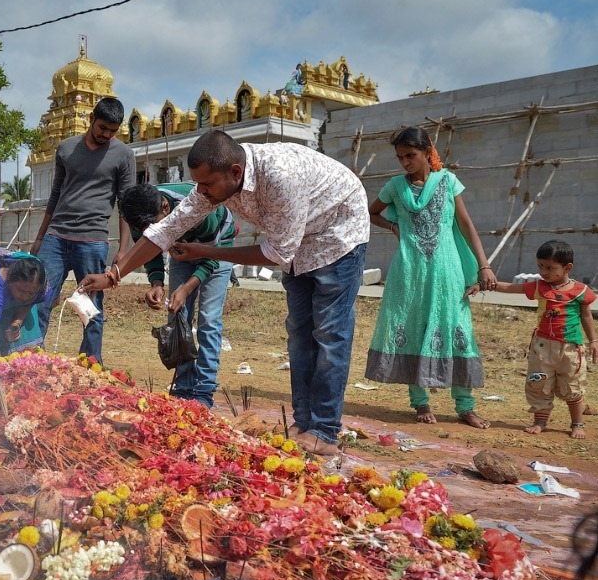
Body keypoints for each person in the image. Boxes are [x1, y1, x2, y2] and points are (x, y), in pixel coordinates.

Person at [81, 130, 370, 456]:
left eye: (206, 186)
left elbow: (275, 253)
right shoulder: (215, 182)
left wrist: (205, 251)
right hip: (296, 244)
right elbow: (166, 229)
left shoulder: (280, 178)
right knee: (300, 333)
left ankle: (325, 430)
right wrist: (114, 274)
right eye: (198, 185)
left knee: (330, 333)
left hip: (338, 233)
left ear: (235, 172)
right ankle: (304, 423)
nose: (200, 193)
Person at [365, 126, 494, 429]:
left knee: (457, 330)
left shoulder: (448, 181)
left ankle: (465, 406)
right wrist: (394, 227)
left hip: (447, 271)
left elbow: (465, 226)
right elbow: (371, 212)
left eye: (410, 155)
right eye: (400, 157)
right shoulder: (396, 187)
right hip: (409, 271)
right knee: (414, 327)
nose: (405, 162)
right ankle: (420, 402)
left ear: (427, 152)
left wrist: (483, 266)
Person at [32, 97, 136, 364]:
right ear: (91, 118)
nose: (107, 135)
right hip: (56, 237)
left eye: (113, 131)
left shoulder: (124, 155)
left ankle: (91, 364)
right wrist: (40, 238)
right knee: (39, 299)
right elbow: (55, 195)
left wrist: (123, 250)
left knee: (91, 308)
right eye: (102, 128)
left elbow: (126, 204)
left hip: (93, 240)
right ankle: (31, 361)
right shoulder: (66, 149)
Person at [119, 182, 236, 408]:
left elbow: (211, 257)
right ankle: (182, 387)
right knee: (176, 317)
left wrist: (185, 289)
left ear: (165, 207)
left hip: (219, 247)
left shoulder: (198, 207)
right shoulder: (140, 216)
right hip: (181, 250)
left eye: (154, 227)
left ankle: (203, 392)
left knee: (209, 321)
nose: (148, 232)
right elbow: (148, 249)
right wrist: (156, 282)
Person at [477, 240, 597, 438]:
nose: (544, 272)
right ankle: (540, 421)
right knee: (539, 383)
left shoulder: (580, 291)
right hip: (541, 347)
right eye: (541, 266)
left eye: (550, 267)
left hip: (570, 349)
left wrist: (593, 341)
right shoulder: (539, 287)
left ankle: (577, 424)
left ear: (567, 268)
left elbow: (586, 316)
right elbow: (510, 287)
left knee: (573, 385)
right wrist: (486, 285)